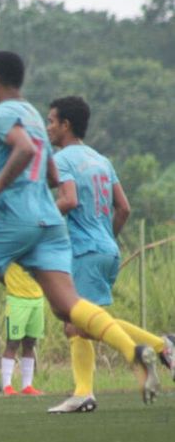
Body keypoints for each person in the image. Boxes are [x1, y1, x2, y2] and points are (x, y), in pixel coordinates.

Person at [0, 51, 158, 411]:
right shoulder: (34, 117)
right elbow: (52, 176)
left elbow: (24, 151)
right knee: (68, 307)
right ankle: (134, 352)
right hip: (49, 221)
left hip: (16, 219)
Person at [45, 96, 175, 413]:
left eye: (51, 121)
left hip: (87, 252)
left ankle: (160, 347)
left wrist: (37, 217)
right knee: (83, 323)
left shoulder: (63, 160)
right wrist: (106, 238)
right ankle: (86, 391)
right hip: (105, 249)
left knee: (81, 324)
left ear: (66, 125)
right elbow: (124, 208)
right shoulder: (101, 160)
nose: (47, 127)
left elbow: (69, 200)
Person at [0, 263, 44, 396]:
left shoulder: (39, 246)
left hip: (37, 299)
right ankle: (7, 386)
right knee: (13, 343)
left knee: (30, 343)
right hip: (16, 300)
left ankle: (27, 386)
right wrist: (10, 283)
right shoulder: (11, 246)